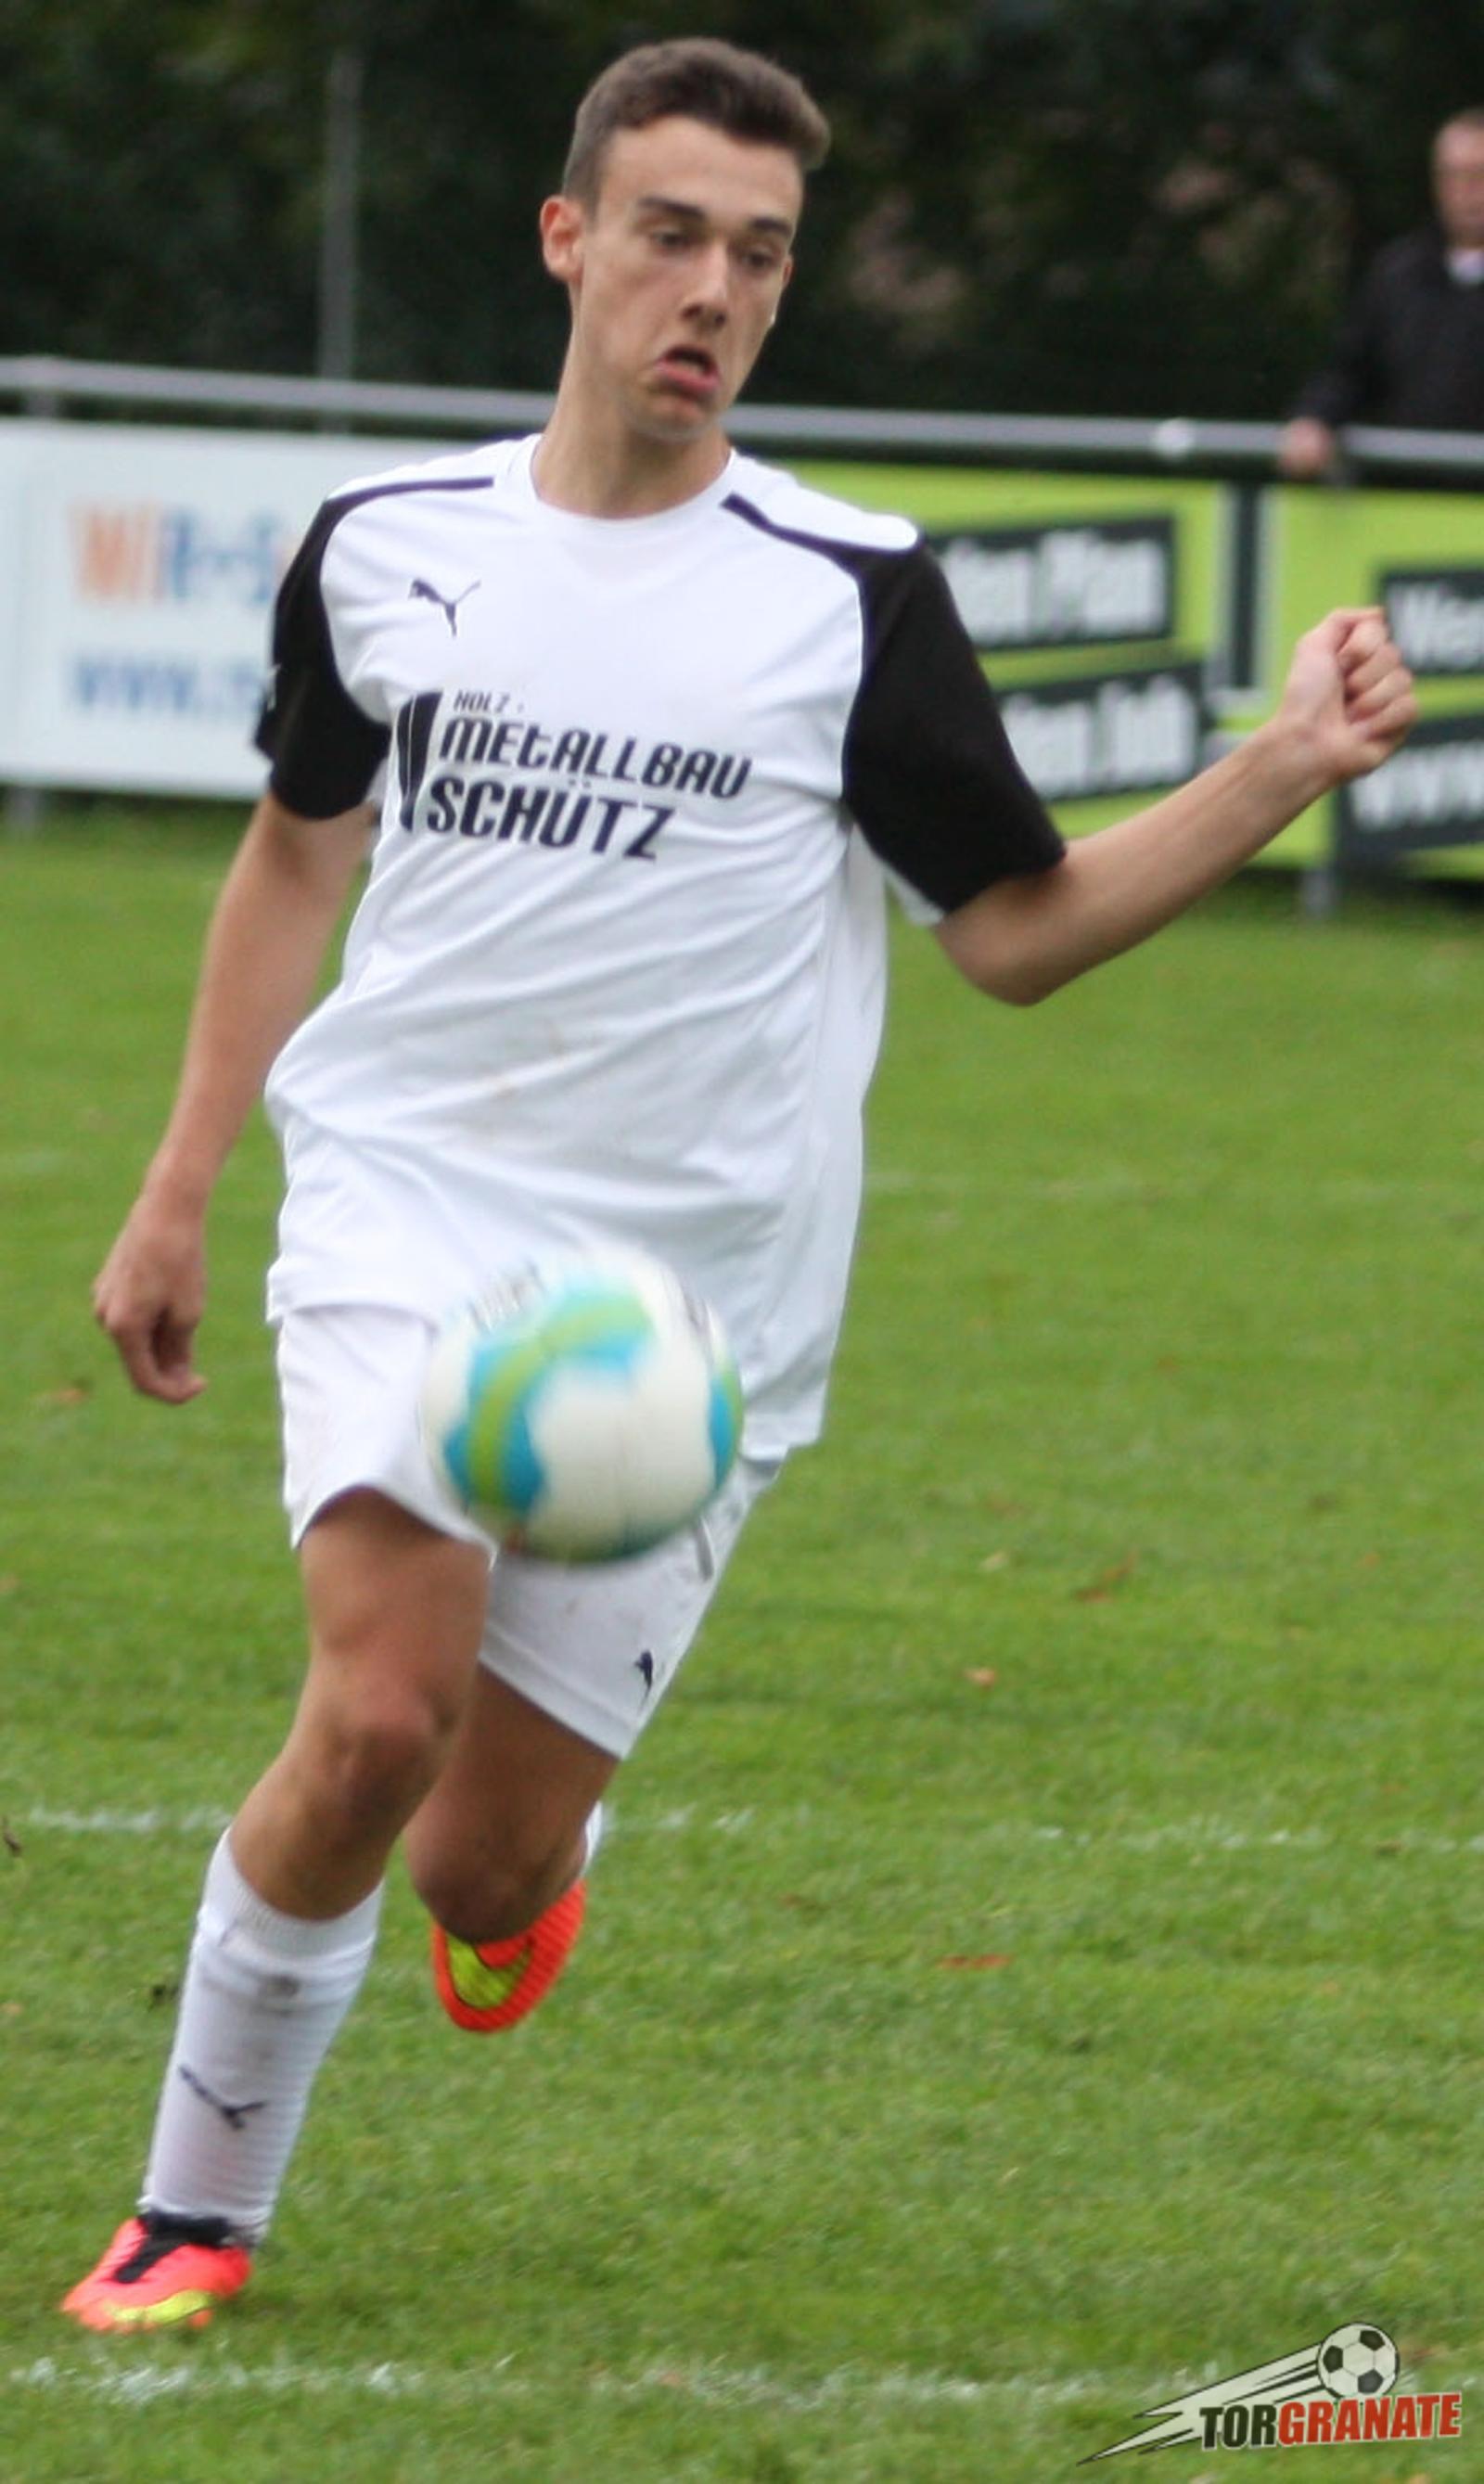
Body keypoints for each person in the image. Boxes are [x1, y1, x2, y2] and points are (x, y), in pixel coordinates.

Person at [64, 35, 1415, 2335]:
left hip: (687, 1322)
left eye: (760, 256)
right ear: (568, 238)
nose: (711, 291)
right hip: (406, 1203)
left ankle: (532, 1870)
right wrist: (181, 1176)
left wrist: (1279, 762)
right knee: (373, 1714)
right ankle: (195, 2205)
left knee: (478, 1863)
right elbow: (297, 849)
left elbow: (1011, 933)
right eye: (671, 235)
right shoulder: (386, 546)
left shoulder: (846, 591)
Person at [1278, 108, 1484, 480]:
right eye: (1452, 175)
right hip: (1408, 499)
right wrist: (1314, 419)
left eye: (1478, 174)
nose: (1466, 191)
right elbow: (1349, 371)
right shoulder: (1399, 273)